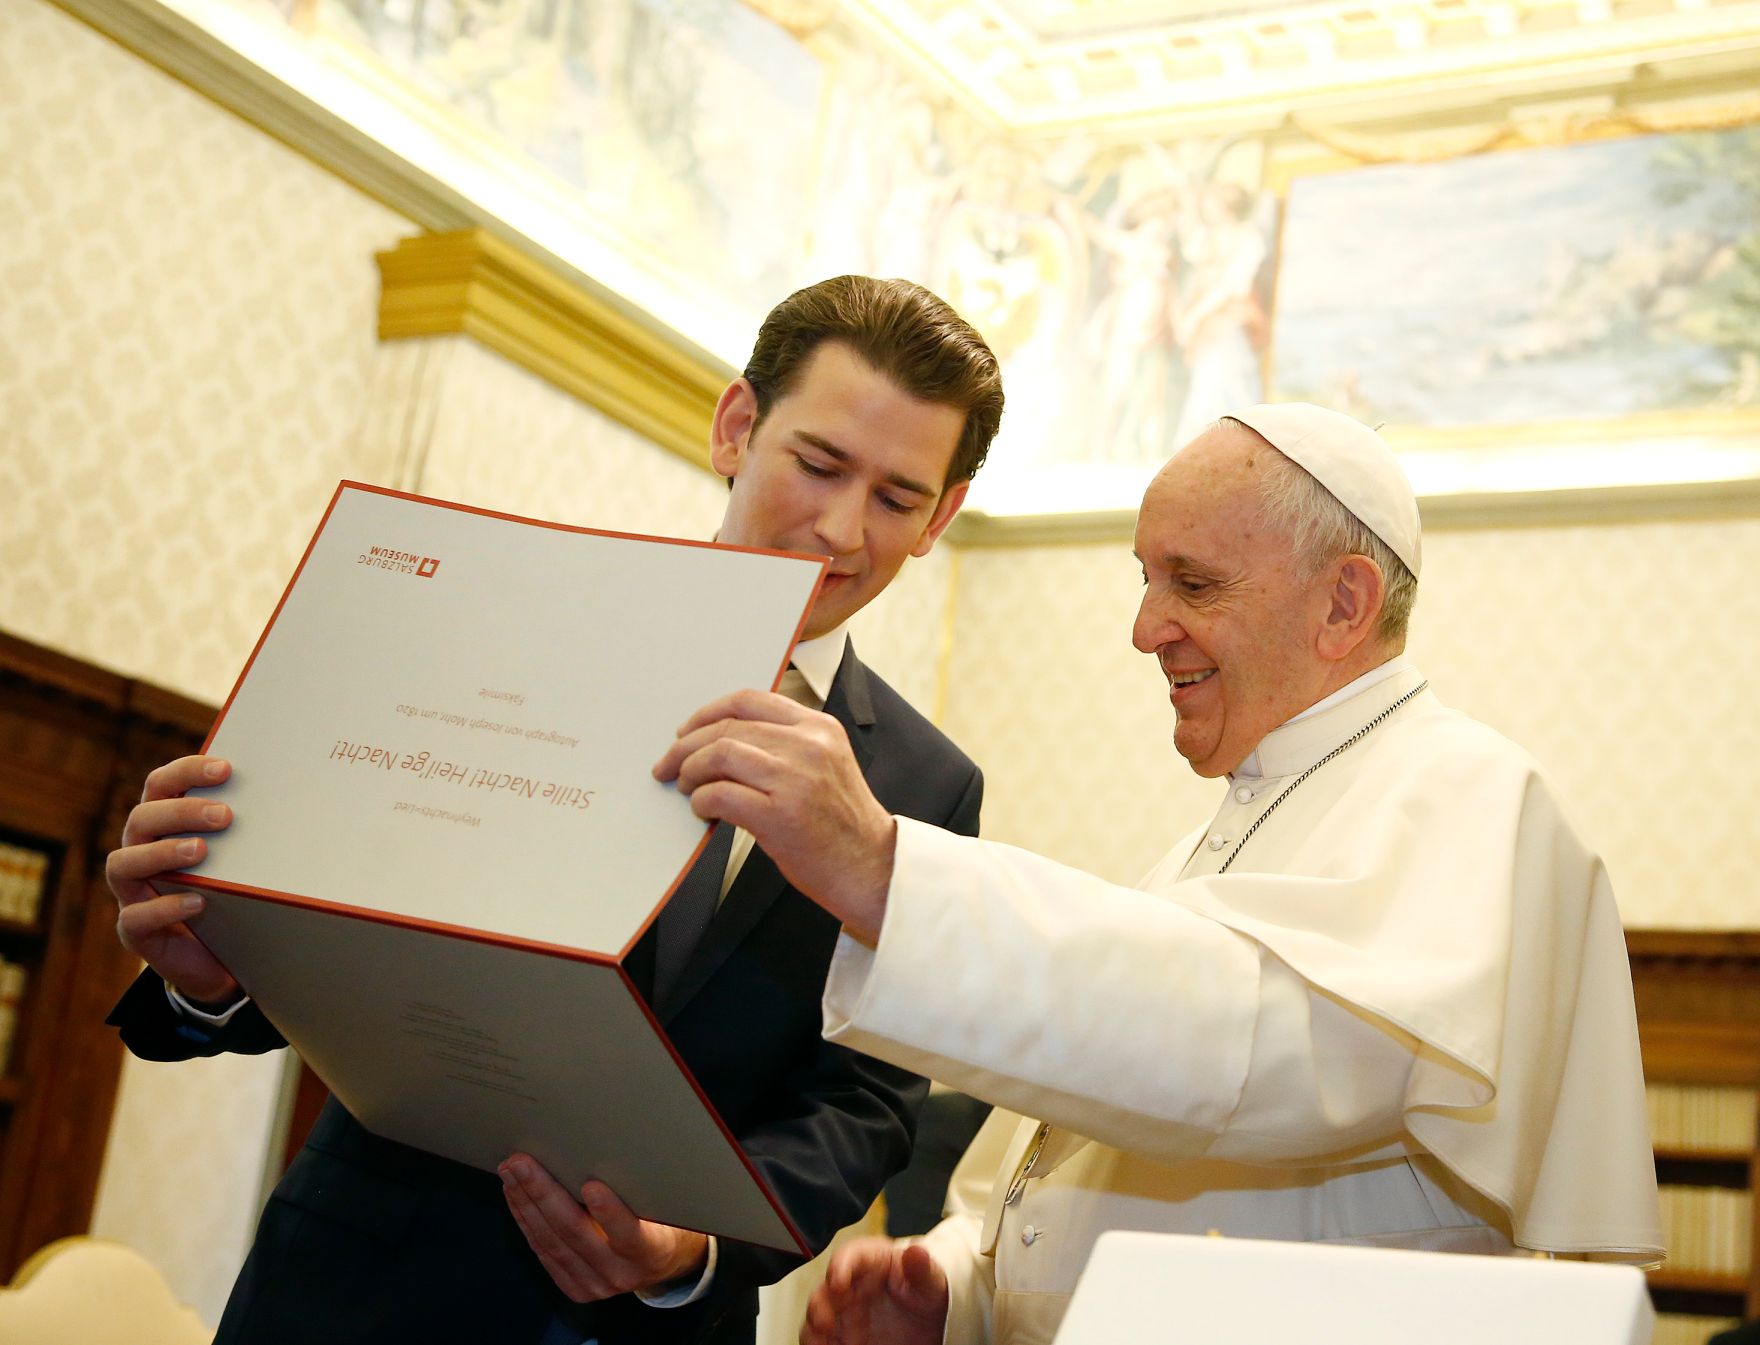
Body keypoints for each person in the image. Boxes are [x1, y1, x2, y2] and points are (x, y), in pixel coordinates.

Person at [103, 275, 1003, 1345]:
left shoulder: (925, 786)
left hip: (646, 1324)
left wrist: (694, 1247)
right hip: (357, 1287)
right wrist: (216, 982)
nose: (840, 528)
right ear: (734, 428)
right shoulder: (507, 626)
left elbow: (865, 1096)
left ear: (940, 517)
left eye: (897, 499)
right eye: (816, 464)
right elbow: (362, 918)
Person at [653, 402, 1665, 1345]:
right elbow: (1055, 1168)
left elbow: (1261, 1055)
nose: (1144, 627)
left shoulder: (1471, 796)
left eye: (1192, 581)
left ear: (1341, 602)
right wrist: (951, 1285)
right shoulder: (1199, 853)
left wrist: (884, 871)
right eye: (1144, 578)